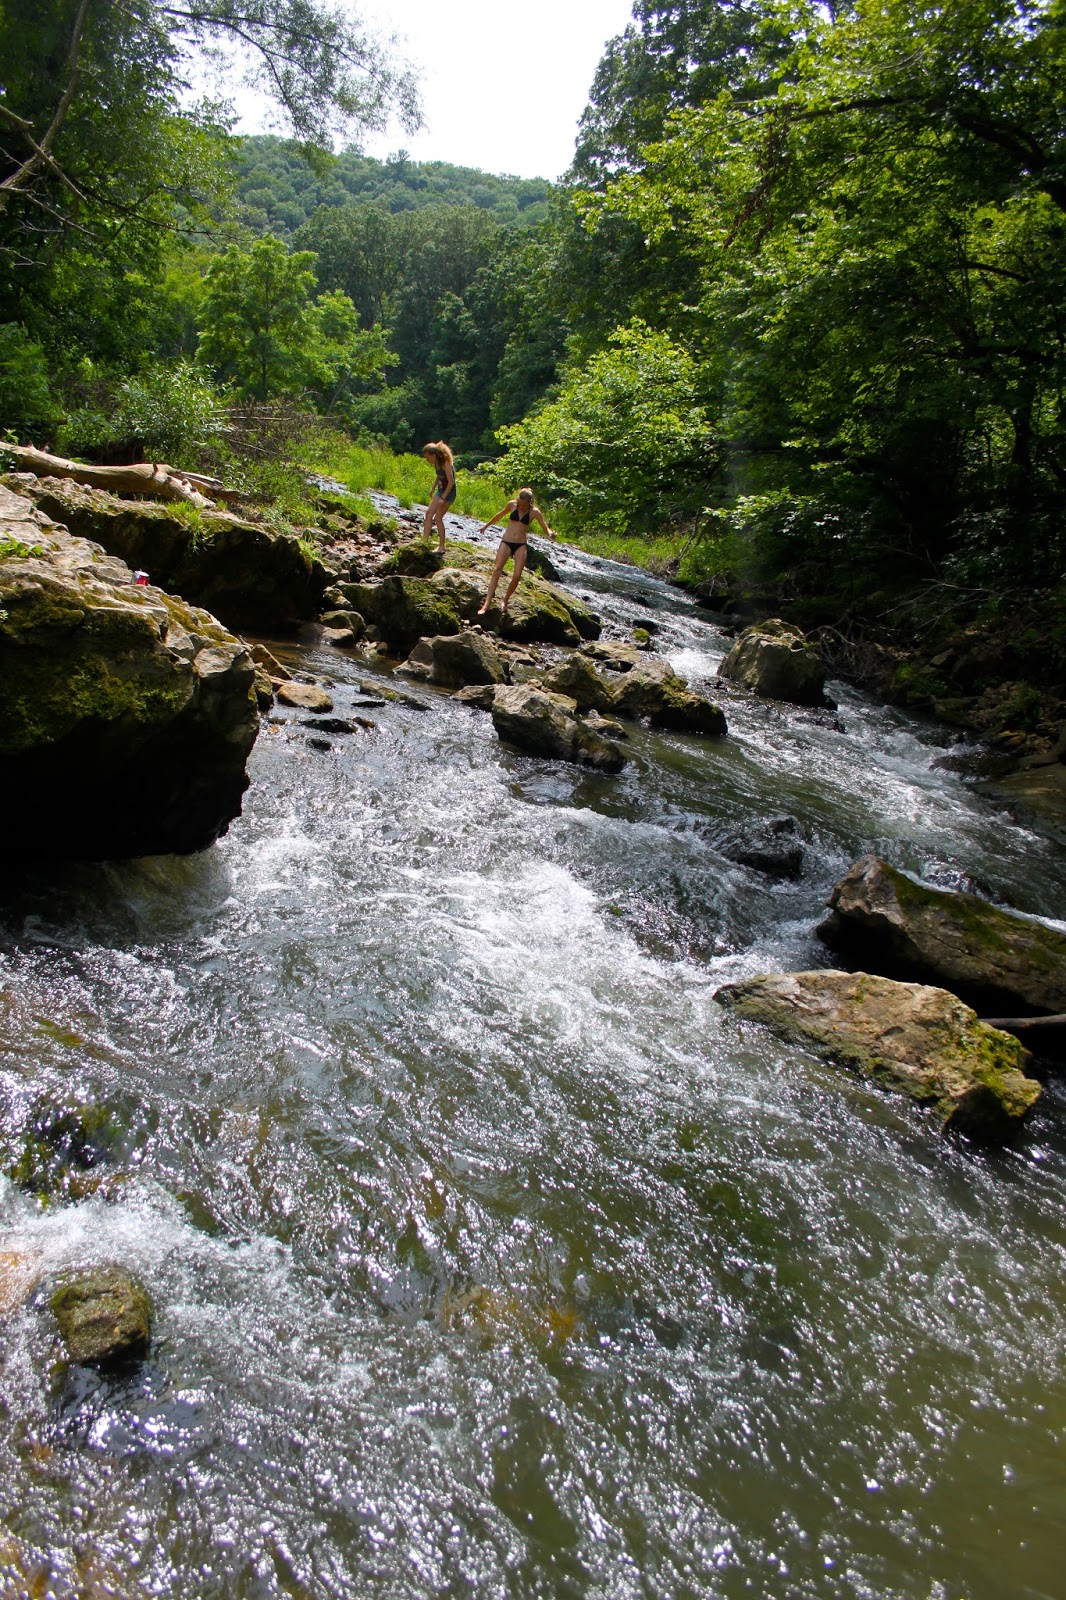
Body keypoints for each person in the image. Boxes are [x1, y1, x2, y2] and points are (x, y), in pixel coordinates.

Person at [476, 487, 556, 615]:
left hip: (520, 544)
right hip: (506, 542)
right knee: (497, 570)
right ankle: (486, 604)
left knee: (517, 575)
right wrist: (486, 526)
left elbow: (545, 527)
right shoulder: (512, 504)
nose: (522, 507)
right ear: (518, 500)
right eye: (520, 504)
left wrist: (550, 533)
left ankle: (505, 600)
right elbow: (499, 515)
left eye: (524, 505)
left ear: (530, 502)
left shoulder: (535, 512)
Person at [422, 440, 456, 553]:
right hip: (441, 490)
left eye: (428, 458)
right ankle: (424, 542)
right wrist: (433, 488)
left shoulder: (445, 463)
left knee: (438, 518)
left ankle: (442, 546)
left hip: (449, 493)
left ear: (434, 455)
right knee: (428, 514)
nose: (427, 461)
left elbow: (451, 482)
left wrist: (443, 497)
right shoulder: (436, 463)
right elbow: (439, 476)